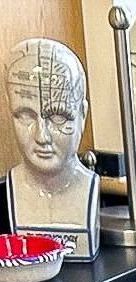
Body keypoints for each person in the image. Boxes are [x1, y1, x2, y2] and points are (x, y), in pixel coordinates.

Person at [4, 37, 100, 259]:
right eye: (25, 116)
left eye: (58, 117)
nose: (41, 136)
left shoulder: (88, 188)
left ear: (82, 116)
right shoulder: (6, 194)